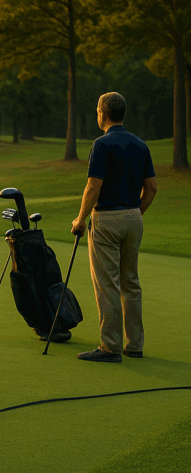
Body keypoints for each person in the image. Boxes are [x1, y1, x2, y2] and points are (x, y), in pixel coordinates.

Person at [71, 92, 158, 362]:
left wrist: (80, 219)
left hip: (106, 220)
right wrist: (136, 212)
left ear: (102, 113)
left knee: (107, 284)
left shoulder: (101, 145)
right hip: (134, 218)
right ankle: (134, 345)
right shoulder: (140, 144)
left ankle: (110, 347)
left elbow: (93, 187)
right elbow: (152, 187)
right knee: (130, 282)